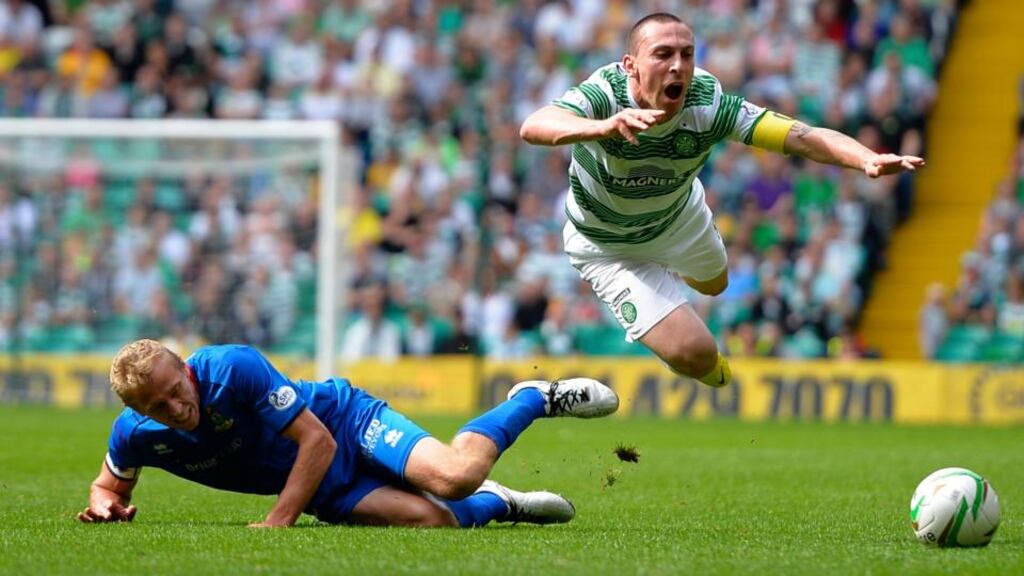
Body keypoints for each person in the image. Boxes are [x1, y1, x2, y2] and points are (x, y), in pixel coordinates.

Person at [519, 13, 924, 387]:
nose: (678, 65)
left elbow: (799, 136)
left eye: (686, 54)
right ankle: (690, 351)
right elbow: (534, 125)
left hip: (678, 219)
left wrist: (865, 158)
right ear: (631, 65)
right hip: (607, 244)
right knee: (694, 354)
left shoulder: (708, 104)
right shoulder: (605, 94)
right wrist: (601, 127)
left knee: (715, 286)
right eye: (663, 54)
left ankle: (669, 293)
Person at [78, 339, 618, 528]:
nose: (177, 406)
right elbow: (109, 486)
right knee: (435, 523)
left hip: (344, 423)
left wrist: (277, 521)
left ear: (185, 367)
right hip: (321, 487)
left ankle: (532, 399)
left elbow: (317, 441)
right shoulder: (135, 435)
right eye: (159, 406)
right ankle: (503, 504)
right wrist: (104, 504)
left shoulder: (230, 367)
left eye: (177, 388)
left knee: (455, 477)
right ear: (138, 411)